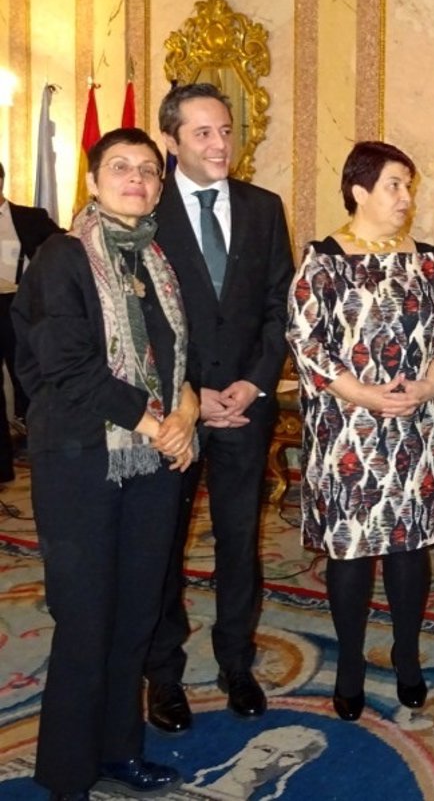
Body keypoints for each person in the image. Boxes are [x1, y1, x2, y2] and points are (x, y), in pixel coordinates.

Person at [13, 127, 199, 800]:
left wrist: (185, 413)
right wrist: (157, 423)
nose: (136, 179)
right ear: (93, 182)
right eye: (120, 167)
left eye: (148, 169)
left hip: (151, 464)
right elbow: (66, 367)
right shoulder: (63, 257)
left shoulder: (157, 259)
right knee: (87, 616)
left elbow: (178, 358)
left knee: (136, 612)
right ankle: (67, 772)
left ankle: (121, 749)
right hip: (81, 462)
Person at [286, 141, 434, 721]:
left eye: (408, 186)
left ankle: (407, 656)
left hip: (413, 424)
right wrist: (364, 394)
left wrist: (427, 386)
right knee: (353, 550)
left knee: (410, 546)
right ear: (359, 190)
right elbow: (306, 342)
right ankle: (350, 663)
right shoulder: (324, 260)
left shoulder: (429, 261)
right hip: (348, 430)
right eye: (394, 185)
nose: (405, 197)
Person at [144, 82, 294, 732]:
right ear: (171, 140)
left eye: (226, 130)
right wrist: (187, 395)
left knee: (240, 541)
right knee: (162, 545)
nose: (219, 144)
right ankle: (163, 673)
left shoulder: (264, 208)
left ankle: (237, 661)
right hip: (172, 415)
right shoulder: (145, 210)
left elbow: (280, 306)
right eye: (203, 132)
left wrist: (255, 384)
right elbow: (137, 323)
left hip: (243, 408)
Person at [0, 162, 62, 484]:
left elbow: (63, 246)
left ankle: (34, 438)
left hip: (18, 305)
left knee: (25, 373)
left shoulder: (30, 217)